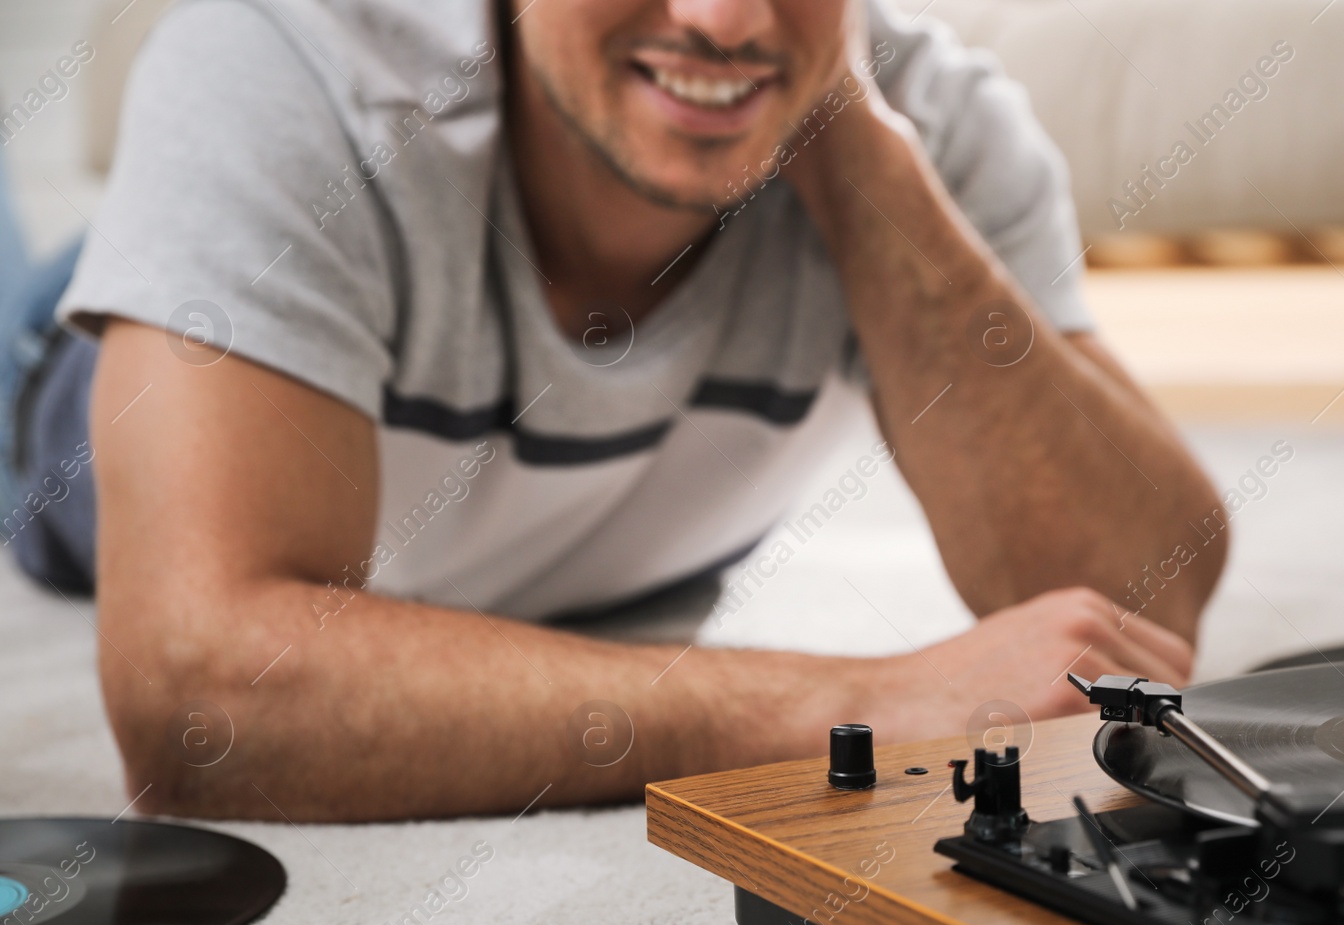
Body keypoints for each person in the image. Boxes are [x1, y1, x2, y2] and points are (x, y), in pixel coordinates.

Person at [1, 0, 1223, 821]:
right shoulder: (289, 62)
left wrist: (844, 137)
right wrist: (852, 704)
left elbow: (1136, 604)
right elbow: (200, 700)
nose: (725, 16)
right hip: (48, 386)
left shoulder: (918, 107)